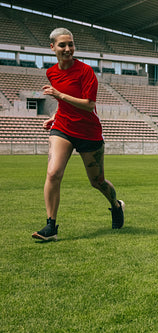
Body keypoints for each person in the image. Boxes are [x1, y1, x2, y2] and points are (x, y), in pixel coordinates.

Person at [32, 28, 125, 242]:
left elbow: (88, 104)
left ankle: (116, 205)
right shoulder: (52, 72)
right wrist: (54, 116)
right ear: (52, 47)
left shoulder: (85, 71)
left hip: (88, 133)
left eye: (70, 44)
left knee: (97, 181)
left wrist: (58, 94)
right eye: (62, 45)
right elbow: (64, 102)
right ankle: (51, 227)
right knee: (53, 173)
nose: (67, 49)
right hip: (63, 128)